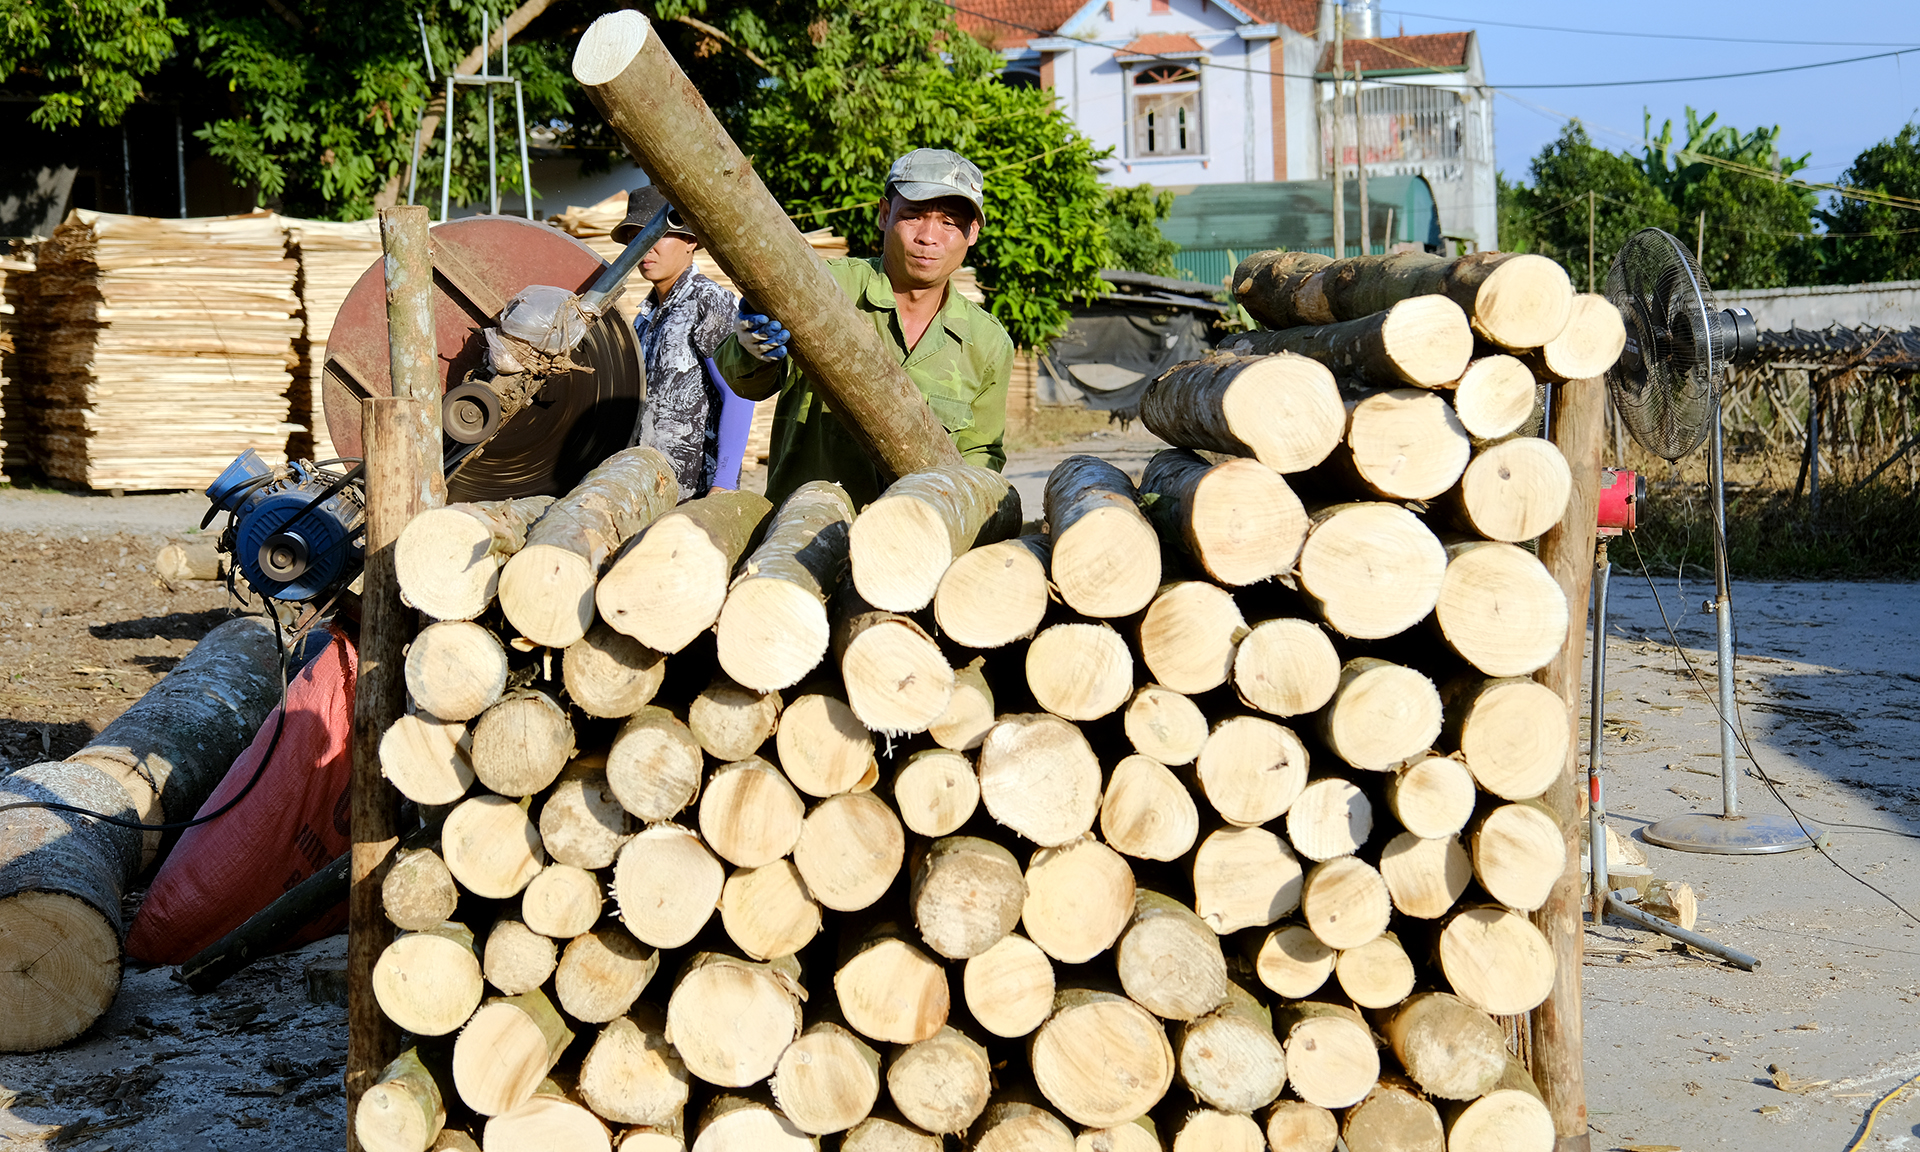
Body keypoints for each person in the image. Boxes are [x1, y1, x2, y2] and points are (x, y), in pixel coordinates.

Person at [713, 148, 1012, 508]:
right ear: (885, 214)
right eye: (914, 216)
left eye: (949, 222)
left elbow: (981, 457)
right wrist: (752, 348)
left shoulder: (987, 343)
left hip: (917, 543)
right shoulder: (824, 287)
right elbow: (745, 383)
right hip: (801, 535)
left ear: (972, 232)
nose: (929, 237)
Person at [613, 186, 753, 500]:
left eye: (654, 235)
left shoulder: (709, 303)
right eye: (635, 237)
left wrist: (725, 483)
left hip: (695, 497)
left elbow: (739, 393)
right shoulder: (643, 318)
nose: (643, 247)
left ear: (691, 240)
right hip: (645, 491)